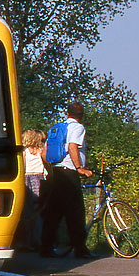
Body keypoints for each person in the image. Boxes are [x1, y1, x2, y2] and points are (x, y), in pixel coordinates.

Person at [40, 101, 94, 259]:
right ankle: (80, 249)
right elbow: (72, 147)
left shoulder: (57, 128)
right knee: (75, 211)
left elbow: (44, 154)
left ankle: (46, 248)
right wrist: (80, 168)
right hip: (69, 173)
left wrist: (51, 170)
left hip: (56, 172)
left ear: (68, 114)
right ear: (81, 115)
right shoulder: (78, 128)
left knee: (54, 212)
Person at [18, 128, 46, 250]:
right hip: (38, 178)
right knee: (37, 210)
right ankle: (37, 240)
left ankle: (26, 241)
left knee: (26, 210)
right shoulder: (41, 151)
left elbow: (22, 165)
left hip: (26, 177)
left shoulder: (24, 152)